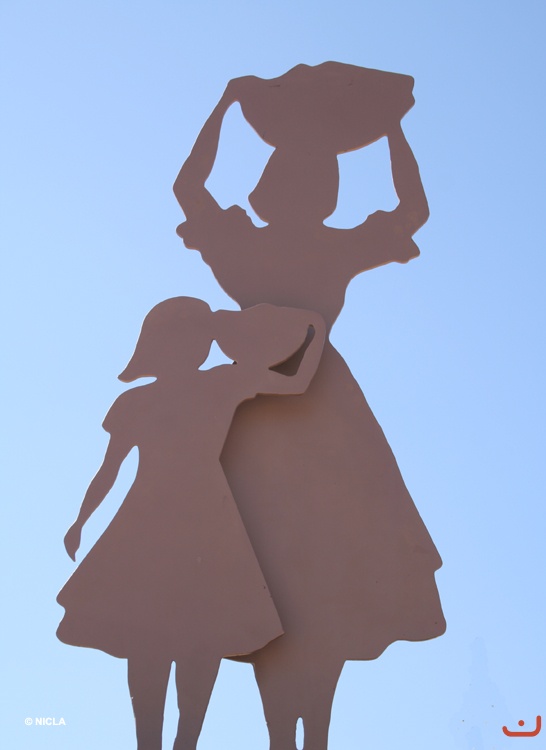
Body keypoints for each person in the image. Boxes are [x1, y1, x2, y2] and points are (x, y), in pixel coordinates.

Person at [174, 63, 446, 750]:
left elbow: (188, 188)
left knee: (306, 568)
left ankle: (301, 725)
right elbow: (411, 210)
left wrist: (226, 108)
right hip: (293, 403)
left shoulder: (258, 242)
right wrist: (393, 131)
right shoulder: (318, 246)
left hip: (291, 405)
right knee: (278, 567)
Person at [57, 296, 325, 750]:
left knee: (203, 633)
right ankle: (149, 741)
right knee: (148, 635)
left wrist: (314, 328)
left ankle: (186, 741)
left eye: (203, 337)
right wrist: (81, 520)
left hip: (207, 518)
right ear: (159, 346)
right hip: (147, 521)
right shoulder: (136, 402)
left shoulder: (224, 381)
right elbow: (110, 470)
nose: (198, 347)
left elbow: (296, 384)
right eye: (187, 337)